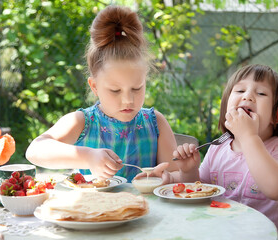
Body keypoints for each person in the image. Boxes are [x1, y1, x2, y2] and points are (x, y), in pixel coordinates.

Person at [142, 64, 278, 240]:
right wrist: (188, 171)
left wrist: (249, 136)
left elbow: (277, 189)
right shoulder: (218, 148)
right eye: (240, 90)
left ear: (276, 114)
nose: (248, 96)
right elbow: (200, 193)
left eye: (261, 93)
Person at [25, 5, 177, 182]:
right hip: (93, 208)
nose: (128, 100)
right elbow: (34, 150)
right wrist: (88, 156)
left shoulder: (155, 123)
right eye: (115, 90)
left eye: (136, 88)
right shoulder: (83, 122)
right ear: (94, 86)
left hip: (148, 209)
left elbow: (175, 176)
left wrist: (167, 177)